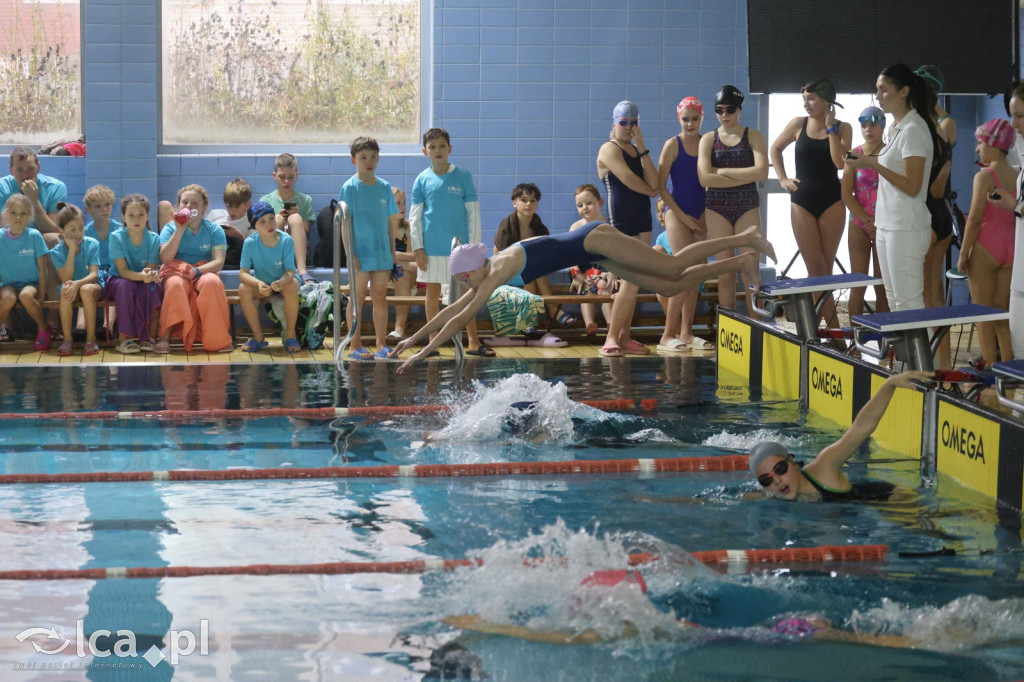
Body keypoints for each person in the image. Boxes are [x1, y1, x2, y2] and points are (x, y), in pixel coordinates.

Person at [391, 222, 776, 370]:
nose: (466, 285)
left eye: (465, 277)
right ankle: (741, 262)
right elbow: (453, 310)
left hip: (593, 238)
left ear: (475, 266)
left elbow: (461, 317)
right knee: (672, 286)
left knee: (673, 268)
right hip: (591, 251)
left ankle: (745, 238)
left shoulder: (496, 269)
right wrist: (411, 339)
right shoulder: (484, 273)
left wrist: (423, 353)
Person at [750, 370, 932, 501]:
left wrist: (889, 384)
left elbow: (861, 428)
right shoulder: (773, 495)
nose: (776, 480)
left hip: (888, 499)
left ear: (794, 463)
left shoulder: (825, 466)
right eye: (766, 480)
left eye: (780, 469)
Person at [845, 64, 939, 313]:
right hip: (887, 226)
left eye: (884, 90)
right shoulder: (896, 129)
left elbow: (912, 185)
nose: (878, 96)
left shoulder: (914, 130)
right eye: (877, 90)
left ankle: (919, 354)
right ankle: (906, 354)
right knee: (895, 301)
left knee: (909, 304)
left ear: (904, 91)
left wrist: (870, 163)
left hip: (905, 228)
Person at [770, 78, 852, 327]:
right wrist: (782, 178)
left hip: (832, 200)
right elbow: (775, 148)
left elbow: (840, 163)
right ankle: (835, 329)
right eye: (804, 99)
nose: (806, 103)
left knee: (823, 268)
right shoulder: (798, 124)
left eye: (812, 98)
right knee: (816, 269)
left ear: (828, 100)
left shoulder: (843, 127)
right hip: (802, 201)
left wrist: (830, 130)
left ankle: (813, 326)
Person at [409, 127, 489, 357]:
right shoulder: (422, 180)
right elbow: (415, 217)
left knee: (468, 293)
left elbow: (473, 213)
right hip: (432, 247)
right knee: (432, 293)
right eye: (432, 147)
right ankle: (433, 341)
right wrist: (418, 247)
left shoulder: (463, 176)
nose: (438, 150)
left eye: (442, 146)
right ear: (425, 151)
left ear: (450, 149)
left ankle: (473, 341)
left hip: (460, 248)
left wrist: (473, 247)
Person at [697, 85, 769, 314]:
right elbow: (703, 178)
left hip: (746, 206)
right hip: (717, 208)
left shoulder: (753, 136)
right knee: (725, 271)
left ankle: (758, 325)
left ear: (739, 109)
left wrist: (721, 172)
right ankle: (727, 328)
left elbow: (761, 173)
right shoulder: (708, 139)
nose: (725, 115)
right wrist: (742, 175)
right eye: (720, 110)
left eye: (730, 109)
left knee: (750, 268)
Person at [596, 100, 659, 357]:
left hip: (643, 220)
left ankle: (624, 336)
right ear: (614, 123)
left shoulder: (636, 151)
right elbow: (631, 181)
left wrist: (642, 146)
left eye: (634, 123)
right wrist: (654, 190)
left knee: (635, 281)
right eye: (624, 123)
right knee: (631, 281)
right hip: (620, 221)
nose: (629, 127)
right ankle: (611, 337)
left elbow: (653, 180)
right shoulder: (608, 149)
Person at [956, 120, 1016, 368]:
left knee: (982, 314)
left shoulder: (984, 177)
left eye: (980, 143)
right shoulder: (1018, 175)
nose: (977, 149)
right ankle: (1009, 372)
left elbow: (975, 219)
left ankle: (991, 372)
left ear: (993, 144)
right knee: (1002, 314)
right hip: (1011, 249)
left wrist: (963, 253)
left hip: (986, 248)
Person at [338, 136, 400, 360]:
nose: (369, 161)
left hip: (381, 251)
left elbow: (389, 224)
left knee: (380, 296)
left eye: (373, 156)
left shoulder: (384, 188)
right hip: (360, 253)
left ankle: (381, 343)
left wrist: (393, 255)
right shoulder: (350, 188)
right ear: (354, 160)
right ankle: (354, 344)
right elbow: (345, 224)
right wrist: (349, 254)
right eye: (363, 157)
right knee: (358, 297)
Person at [657, 96, 710, 352]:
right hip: (676, 212)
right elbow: (660, 186)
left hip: (702, 212)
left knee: (696, 274)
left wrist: (704, 214)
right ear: (679, 119)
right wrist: (680, 214)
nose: (690, 124)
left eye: (695, 119)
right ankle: (668, 334)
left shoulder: (707, 143)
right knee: (682, 271)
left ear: (702, 119)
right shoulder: (672, 145)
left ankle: (687, 333)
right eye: (685, 119)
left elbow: (712, 182)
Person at [155, 184, 233, 354]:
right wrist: (180, 229)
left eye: (195, 203)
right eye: (185, 203)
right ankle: (164, 337)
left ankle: (217, 338)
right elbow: (165, 258)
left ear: (204, 207)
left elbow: (218, 262)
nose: (189, 207)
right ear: (178, 206)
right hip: (174, 271)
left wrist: (197, 271)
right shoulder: (170, 228)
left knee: (212, 282)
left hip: (202, 270)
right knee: (175, 285)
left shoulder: (214, 230)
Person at [979, 85, 1024, 360]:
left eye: (1019, 115)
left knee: (986, 313)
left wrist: (1014, 205)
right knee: (1017, 347)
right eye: (1012, 115)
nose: (1014, 123)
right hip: (1018, 266)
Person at [841, 106, 890, 320]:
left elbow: (898, 192)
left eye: (873, 124)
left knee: (883, 286)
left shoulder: (891, 154)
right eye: (864, 125)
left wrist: (878, 221)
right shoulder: (854, 154)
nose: (868, 129)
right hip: (859, 224)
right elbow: (846, 193)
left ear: (882, 126)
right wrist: (866, 220)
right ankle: (854, 343)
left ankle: (884, 344)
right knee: (857, 284)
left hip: (886, 224)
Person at [494, 182, 566, 326]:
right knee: (530, 270)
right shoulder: (507, 225)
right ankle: (553, 310)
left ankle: (529, 320)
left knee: (532, 270)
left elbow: (546, 255)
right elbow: (498, 257)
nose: (528, 204)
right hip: (507, 270)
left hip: (529, 272)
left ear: (537, 204)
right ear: (515, 203)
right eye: (524, 200)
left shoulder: (539, 227)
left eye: (533, 200)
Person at [237, 201, 300, 354]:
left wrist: (282, 282)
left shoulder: (286, 240)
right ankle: (258, 337)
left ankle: (290, 335)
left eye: (272, 218)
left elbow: (291, 271)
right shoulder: (250, 243)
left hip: (284, 282)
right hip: (263, 285)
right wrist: (258, 284)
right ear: (254, 226)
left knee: (293, 285)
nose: (269, 224)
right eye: (262, 222)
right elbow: (243, 273)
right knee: (243, 288)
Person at [106, 194, 163, 354]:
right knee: (126, 286)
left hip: (141, 280)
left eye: (140, 215)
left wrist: (151, 275)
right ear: (123, 217)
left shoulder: (154, 239)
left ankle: (149, 338)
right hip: (118, 281)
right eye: (131, 215)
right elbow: (123, 271)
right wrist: (142, 276)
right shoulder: (116, 237)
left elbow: (150, 268)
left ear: (147, 216)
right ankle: (124, 338)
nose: (136, 219)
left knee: (154, 288)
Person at [49, 203, 102, 356]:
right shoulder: (57, 252)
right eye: (72, 229)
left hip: (91, 286)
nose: (78, 233)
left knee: (85, 290)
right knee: (66, 289)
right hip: (71, 288)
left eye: (81, 228)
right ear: (61, 230)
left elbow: (94, 275)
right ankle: (67, 339)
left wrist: (78, 283)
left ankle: (91, 339)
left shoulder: (92, 244)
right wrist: (71, 251)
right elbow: (66, 278)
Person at [0, 194, 51, 350]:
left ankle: (43, 328)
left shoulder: (34, 236)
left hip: (30, 284)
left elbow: (43, 268)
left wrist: (42, 294)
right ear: (6, 214)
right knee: (8, 298)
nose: (18, 217)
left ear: (29, 216)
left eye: (23, 213)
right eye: (14, 212)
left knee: (26, 296)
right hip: (8, 284)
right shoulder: (1, 237)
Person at [260, 153, 317, 282]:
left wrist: (295, 218)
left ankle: (302, 270)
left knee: (296, 218)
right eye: (282, 177)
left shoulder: (305, 200)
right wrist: (279, 219)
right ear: (274, 176)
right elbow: (262, 235)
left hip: (297, 251)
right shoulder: (265, 201)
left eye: (291, 177)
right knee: (277, 219)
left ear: (296, 176)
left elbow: (306, 232)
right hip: (273, 250)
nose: (286, 181)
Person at [569, 184, 615, 336]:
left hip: (607, 266)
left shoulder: (609, 224)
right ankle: (589, 323)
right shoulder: (575, 228)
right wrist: (576, 274)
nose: (585, 208)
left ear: (600, 203)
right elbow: (569, 255)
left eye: (589, 203)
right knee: (586, 289)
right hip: (584, 268)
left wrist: (613, 272)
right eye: (580, 205)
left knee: (604, 286)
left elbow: (618, 253)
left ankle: (611, 323)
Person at [81, 184, 121, 339]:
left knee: (114, 284)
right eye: (98, 206)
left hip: (114, 272)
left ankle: (107, 326)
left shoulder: (120, 230)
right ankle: (80, 327)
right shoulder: (85, 232)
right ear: (88, 209)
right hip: (93, 272)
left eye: (107, 205)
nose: (104, 209)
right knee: (84, 286)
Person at [388, 187, 420, 341]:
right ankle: (399, 328)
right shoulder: (383, 227)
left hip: (405, 270)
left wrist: (395, 256)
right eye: (398, 203)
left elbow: (414, 255)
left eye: (404, 203)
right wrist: (396, 258)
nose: (402, 207)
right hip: (387, 270)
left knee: (402, 272)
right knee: (400, 271)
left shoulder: (408, 227)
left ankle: (399, 328)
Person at [205, 177, 254, 270]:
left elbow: (254, 252)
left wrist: (239, 237)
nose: (231, 211)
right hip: (212, 256)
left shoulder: (250, 223)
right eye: (228, 206)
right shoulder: (216, 215)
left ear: (247, 204)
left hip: (234, 261)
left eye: (236, 207)